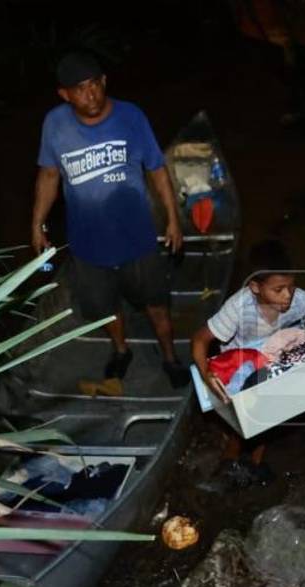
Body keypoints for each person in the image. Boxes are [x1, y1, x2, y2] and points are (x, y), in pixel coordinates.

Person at [31, 51, 190, 388]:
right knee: (105, 307)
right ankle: (121, 350)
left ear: (104, 82)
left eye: (95, 84)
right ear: (65, 94)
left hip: (138, 239)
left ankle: (170, 357)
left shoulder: (131, 117)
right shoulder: (55, 125)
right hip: (88, 244)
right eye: (80, 89)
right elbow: (48, 176)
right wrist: (37, 224)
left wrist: (173, 220)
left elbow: (157, 169)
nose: (91, 95)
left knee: (157, 305)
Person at [190, 240, 305, 485]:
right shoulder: (238, 306)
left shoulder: (299, 300)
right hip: (240, 368)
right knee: (242, 421)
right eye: (278, 290)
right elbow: (200, 340)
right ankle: (230, 458)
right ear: (255, 287)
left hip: (273, 363)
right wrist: (206, 374)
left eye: (291, 287)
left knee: (270, 414)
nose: (287, 295)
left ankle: (255, 460)